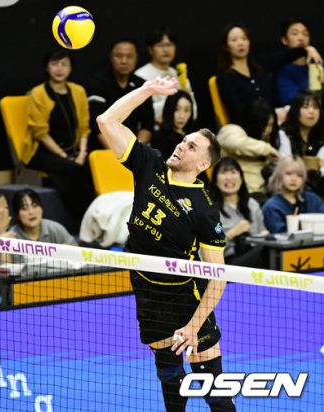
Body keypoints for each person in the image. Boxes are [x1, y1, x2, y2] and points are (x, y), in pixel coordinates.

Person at [96, 77, 235, 411]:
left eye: (192, 147)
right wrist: (147, 91)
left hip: (185, 297)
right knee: (172, 386)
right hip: (147, 292)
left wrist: (193, 326)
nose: (182, 146)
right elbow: (106, 121)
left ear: (203, 164)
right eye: (184, 141)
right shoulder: (150, 165)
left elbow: (218, 277)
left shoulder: (204, 209)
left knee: (215, 393)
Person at [23, 49, 94, 225]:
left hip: (74, 149)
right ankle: (83, 219)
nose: (59, 69)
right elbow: (40, 133)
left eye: (64, 64)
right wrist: (64, 155)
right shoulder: (38, 93)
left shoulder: (78, 91)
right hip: (42, 151)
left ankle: (99, 215)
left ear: (71, 68)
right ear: (47, 67)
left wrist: (82, 153)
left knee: (90, 164)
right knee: (70, 168)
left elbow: (84, 127)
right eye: (54, 64)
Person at [216, 23, 322, 124]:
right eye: (234, 40)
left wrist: (308, 49)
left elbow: (287, 55)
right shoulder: (225, 77)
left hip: (273, 123)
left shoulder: (261, 64)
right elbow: (237, 111)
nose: (240, 43)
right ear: (226, 46)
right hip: (246, 127)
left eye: (244, 39)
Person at [85, 39, 155, 149]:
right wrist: (119, 153)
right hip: (103, 149)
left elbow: (147, 125)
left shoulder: (142, 86)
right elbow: (96, 126)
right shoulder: (97, 84)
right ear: (111, 57)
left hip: (132, 147)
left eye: (129, 56)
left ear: (136, 58)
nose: (124, 61)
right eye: (119, 56)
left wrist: (135, 151)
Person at [216, 98, 280, 196]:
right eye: (265, 125)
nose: (268, 130)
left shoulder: (265, 140)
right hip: (238, 193)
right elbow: (237, 144)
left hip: (262, 193)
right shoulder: (231, 130)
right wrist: (268, 149)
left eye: (271, 125)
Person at [211, 157, 267, 268]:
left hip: (254, 255)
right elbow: (207, 249)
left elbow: (262, 232)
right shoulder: (211, 210)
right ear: (215, 180)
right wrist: (233, 233)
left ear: (241, 178)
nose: (229, 177)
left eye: (233, 172)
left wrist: (265, 235)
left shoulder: (252, 204)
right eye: (223, 173)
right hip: (227, 262)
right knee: (265, 252)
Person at [135, 26, 198, 123]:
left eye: (170, 45)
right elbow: (143, 112)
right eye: (160, 45)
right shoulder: (140, 76)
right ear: (150, 49)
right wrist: (177, 100)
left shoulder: (180, 75)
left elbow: (193, 113)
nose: (166, 49)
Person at [262, 156, 324, 233]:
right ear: (279, 175)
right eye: (289, 174)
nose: (294, 179)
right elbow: (281, 234)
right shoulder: (272, 207)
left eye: (299, 175)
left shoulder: (313, 200)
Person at [279, 91, 324, 195]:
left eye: (315, 107)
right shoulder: (284, 134)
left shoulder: (321, 135)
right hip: (289, 185)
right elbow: (284, 164)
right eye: (305, 107)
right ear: (296, 110)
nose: (311, 111)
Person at [275, 18, 324, 107]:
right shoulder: (282, 70)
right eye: (295, 34)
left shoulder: (320, 63)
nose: (301, 38)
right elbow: (289, 99)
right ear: (284, 40)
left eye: (305, 34)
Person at [9, 188, 77, 245]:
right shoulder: (11, 237)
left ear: (42, 209)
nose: (31, 212)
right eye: (24, 208)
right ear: (17, 215)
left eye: (35, 206)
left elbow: (75, 250)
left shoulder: (55, 229)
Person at [151, 91, 195, 161]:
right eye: (176, 109)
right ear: (169, 110)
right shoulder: (160, 138)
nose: (182, 116)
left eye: (186, 110)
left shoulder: (195, 133)